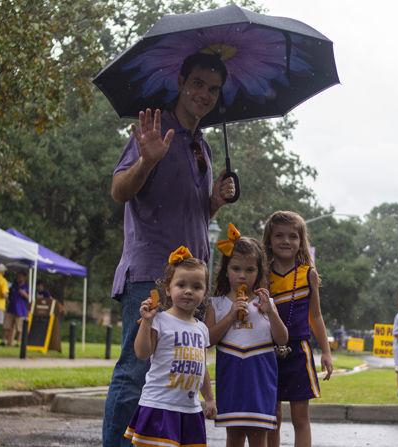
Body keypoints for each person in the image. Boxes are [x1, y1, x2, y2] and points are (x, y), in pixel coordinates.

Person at [103, 52, 236, 447]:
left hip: (191, 280)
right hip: (151, 274)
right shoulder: (154, 131)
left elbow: (191, 211)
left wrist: (215, 200)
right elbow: (119, 192)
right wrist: (146, 161)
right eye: (198, 83)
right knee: (136, 370)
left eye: (213, 88)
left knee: (173, 372)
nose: (205, 94)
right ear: (180, 81)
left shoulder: (203, 147)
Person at [205, 225, 288, 447]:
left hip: (260, 379)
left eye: (250, 270)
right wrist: (231, 316)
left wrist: (270, 313)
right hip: (231, 379)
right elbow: (208, 340)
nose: (242, 275)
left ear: (259, 272)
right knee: (233, 435)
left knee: (259, 435)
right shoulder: (217, 304)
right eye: (236, 268)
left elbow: (282, 339)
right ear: (226, 270)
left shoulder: (266, 303)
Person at [124, 246, 216, 446]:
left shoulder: (202, 329)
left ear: (205, 292)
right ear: (168, 288)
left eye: (197, 287)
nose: (188, 291)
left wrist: (209, 399)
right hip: (159, 406)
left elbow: (202, 369)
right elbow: (142, 352)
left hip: (190, 410)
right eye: (181, 284)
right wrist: (146, 322)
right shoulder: (160, 320)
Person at [263, 211, 333, 447]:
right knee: (272, 416)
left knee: (300, 416)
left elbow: (316, 315)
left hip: (299, 351)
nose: (286, 241)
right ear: (269, 240)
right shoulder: (262, 274)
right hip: (266, 350)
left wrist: (326, 351)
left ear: (301, 241)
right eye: (279, 235)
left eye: (293, 236)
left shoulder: (308, 274)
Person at [2, 271, 30, 347]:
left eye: (20, 276)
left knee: (20, 328)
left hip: (21, 310)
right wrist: (7, 299)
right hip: (11, 309)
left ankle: (19, 342)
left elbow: (30, 299)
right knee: (7, 326)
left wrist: (25, 294)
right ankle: (6, 341)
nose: (18, 278)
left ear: (24, 277)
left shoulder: (27, 287)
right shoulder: (14, 286)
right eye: (17, 276)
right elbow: (8, 295)